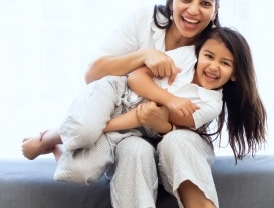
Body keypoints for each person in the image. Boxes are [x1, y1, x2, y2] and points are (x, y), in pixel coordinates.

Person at [24, 0, 267, 208]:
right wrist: (143, 56)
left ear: (215, 10)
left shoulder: (210, 47)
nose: (194, 10)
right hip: (129, 128)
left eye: (205, 3)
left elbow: (164, 120)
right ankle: (50, 140)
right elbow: (96, 75)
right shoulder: (157, 29)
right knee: (128, 152)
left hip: (173, 136)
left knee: (175, 141)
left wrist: (155, 117)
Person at [22, 26, 236, 161]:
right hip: (117, 91)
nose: (214, 66)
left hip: (132, 126)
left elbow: (148, 115)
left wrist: (103, 127)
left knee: (74, 173)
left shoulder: (212, 105)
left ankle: (56, 147)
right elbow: (134, 79)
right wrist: (171, 99)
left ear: (235, 74)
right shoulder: (187, 56)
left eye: (225, 63)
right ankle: (46, 139)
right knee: (86, 131)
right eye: (209, 56)